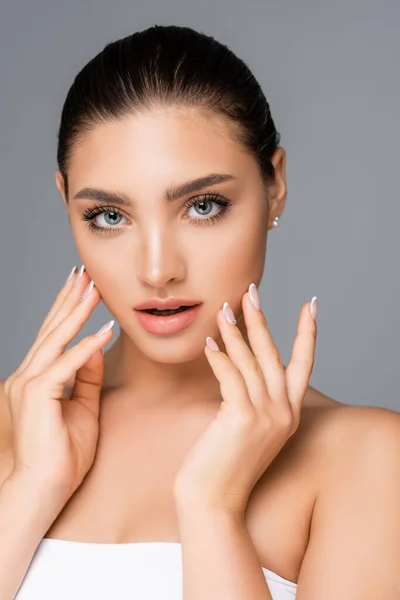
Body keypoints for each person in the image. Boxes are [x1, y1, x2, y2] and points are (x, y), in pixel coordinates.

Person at [0, 24, 399, 600]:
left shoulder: (365, 460)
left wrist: (213, 508)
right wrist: (33, 485)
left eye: (203, 206)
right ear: (67, 202)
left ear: (275, 186)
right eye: (110, 216)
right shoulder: (16, 430)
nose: (157, 269)